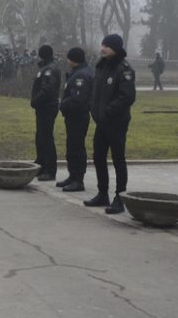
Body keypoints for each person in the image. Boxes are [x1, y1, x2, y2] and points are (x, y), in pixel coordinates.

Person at [85, 34, 136, 214]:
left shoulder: (124, 69)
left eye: (106, 46)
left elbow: (127, 97)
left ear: (115, 48)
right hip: (101, 122)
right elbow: (95, 93)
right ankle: (102, 193)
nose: (102, 48)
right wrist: (94, 109)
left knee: (118, 159)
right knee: (98, 156)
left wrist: (108, 112)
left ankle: (120, 197)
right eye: (102, 44)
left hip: (116, 122)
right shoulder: (101, 66)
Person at [57, 47, 93, 192]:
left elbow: (77, 99)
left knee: (77, 148)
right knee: (71, 147)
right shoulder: (78, 73)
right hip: (73, 116)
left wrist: (63, 105)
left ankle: (78, 180)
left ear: (73, 59)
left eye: (68, 58)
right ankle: (72, 176)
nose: (67, 61)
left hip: (78, 115)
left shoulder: (81, 76)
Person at [30, 44, 61, 181]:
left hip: (47, 107)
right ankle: (41, 164)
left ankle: (50, 169)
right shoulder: (45, 67)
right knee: (40, 137)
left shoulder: (49, 69)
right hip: (43, 107)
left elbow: (47, 90)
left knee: (46, 138)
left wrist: (35, 101)